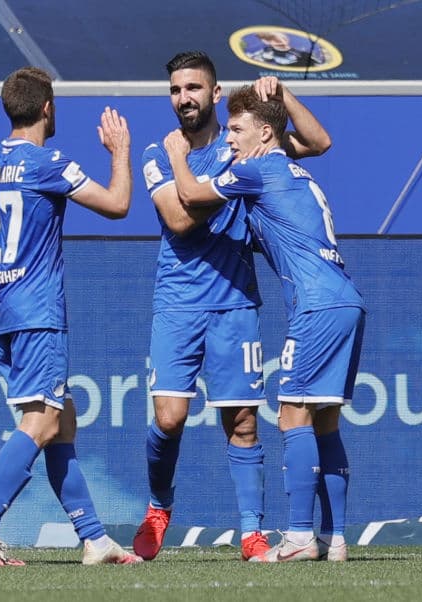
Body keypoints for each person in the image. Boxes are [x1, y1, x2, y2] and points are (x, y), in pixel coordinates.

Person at [135, 51, 332, 561]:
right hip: (177, 304)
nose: (185, 99)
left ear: (215, 94)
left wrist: (283, 94)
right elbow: (180, 219)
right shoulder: (160, 152)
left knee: (243, 421)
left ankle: (251, 532)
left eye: (194, 88)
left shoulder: (244, 143)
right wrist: (204, 168)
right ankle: (159, 505)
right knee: (171, 417)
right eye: (176, 90)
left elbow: (318, 142)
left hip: (235, 302)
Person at [165, 84, 364, 562]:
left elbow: (190, 194)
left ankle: (297, 537)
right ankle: (332, 539)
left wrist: (176, 154)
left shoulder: (256, 170)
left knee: (292, 413)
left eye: (237, 129)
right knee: (326, 421)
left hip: (315, 305)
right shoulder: (295, 173)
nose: (229, 138)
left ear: (265, 133)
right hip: (345, 300)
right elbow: (316, 145)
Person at [0, 67, 141, 567]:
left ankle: (95, 539)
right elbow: (119, 204)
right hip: (38, 310)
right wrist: (119, 152)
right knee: (42, 421)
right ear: (47, 109)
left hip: (2, 308)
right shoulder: (49, 164)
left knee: (62, 420)